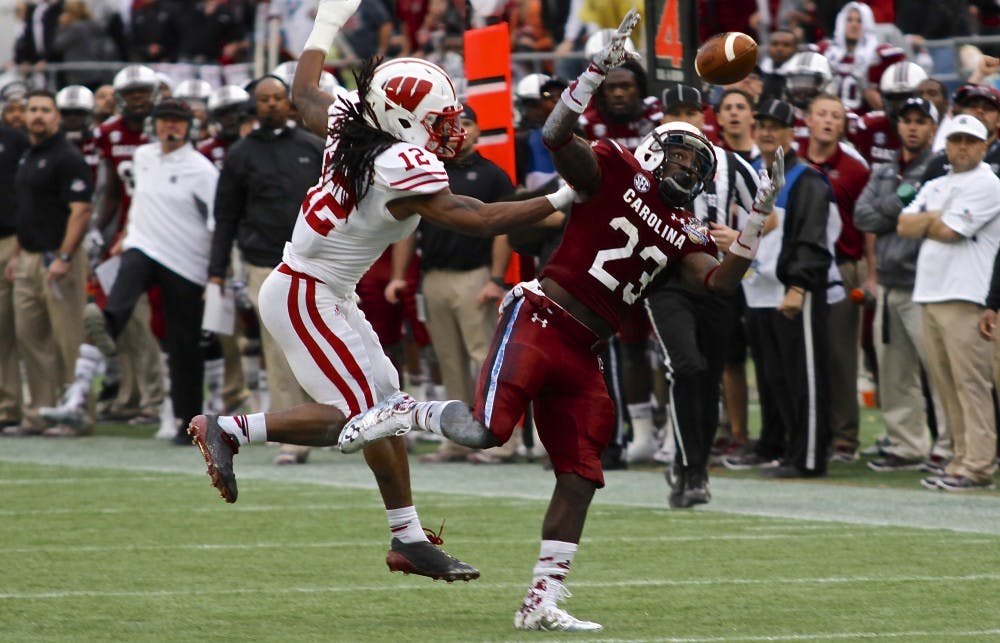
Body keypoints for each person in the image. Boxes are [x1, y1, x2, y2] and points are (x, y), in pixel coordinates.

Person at [339, 10, 784, 631]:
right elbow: (555, 135)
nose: (689, 172)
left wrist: (757, 223)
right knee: (487, 432)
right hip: (541, 317)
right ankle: (404, 412)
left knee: (581, 473)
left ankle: (540, 599)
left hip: (585, 347)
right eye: (682, 159)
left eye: (696, 168)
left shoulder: (686, 233)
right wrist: (592, 75)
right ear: (655, 151)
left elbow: (718, 283)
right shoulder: (611, 170)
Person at [184, 0, 573, 583]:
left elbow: (305, 88)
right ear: (402, 119)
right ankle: (230, 429)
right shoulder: (399, 164)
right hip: (307, 294)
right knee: (362, 415)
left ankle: (408, 537)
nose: (451, 130)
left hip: (325, 291)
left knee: (380, 409)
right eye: (439, 120)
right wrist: (569, 196)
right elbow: (480, 217)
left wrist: (326, 22)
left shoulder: (353, 123)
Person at [646, 83, 759, 507]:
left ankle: (697, 471)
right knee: (686, 366)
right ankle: (685, 464)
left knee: (708, 376)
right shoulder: (647, 166)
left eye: (691, 111)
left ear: (703, 116)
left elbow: (767, 215)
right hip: (667, 279)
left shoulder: (731, 165)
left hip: (716, 278)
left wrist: (740, 235)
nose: (684, 119)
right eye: (674, 111)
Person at [387, 103, 518, 465]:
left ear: (478, 130)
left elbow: (503, 230)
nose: (461, 131)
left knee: (486, 360)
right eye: (453, 125)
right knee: (448, 361)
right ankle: (458, 441)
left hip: (474, 276)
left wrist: (496, 279)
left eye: (468, 124)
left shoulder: (493, 174)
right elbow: (407, 228)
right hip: (434, 276)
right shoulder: (430, 172)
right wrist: (400, 276)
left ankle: (502, 440)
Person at [207, 75, 323, 465]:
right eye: (264, 99)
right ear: (255, 106)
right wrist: (217, 270)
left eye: (278, 98)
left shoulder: (312, 147)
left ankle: (333, 424)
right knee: (278, 350)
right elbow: (225, 215)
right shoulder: (240, 154)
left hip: (315, 263)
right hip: (264, 264)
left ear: (289, 104)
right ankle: (292, 437)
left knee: (322, 344)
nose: (272, 105)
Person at [724, 98, 842, 478]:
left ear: (793, 132)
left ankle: (808, 456)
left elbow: (813, 236)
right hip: (757, 288)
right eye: (763, 125)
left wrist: (800, 285)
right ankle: (779, 445)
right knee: (775, 377)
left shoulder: (807, 179)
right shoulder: (751, 174)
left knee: (804, 376)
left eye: (777, 126)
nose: (768, 131)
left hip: (791, 289)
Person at [898, 114, 1000, 492]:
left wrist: (930, 219)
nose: (962, 146)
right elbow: (902, 226)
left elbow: (950, 231)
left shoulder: (988, 184)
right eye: (956, 139)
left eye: (970, 140)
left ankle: (977, 464)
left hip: (965, 293)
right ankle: (959, 459)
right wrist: (933, 218)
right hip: (931, 292)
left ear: (984, 146)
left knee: (970, 385)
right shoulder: (938, 182)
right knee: (945, 385)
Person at [853, 97, 944, 471]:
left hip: (924, 283)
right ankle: (907, 446)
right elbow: (862, 215)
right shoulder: (887, 170)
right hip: (889, 282)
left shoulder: (938, 168)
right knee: (894, 372)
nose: (912, 127)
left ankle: (950, 447)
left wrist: (889, 211)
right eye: (906, 120)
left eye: (921, 121)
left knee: (939, 372)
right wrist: (902, 203)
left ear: (933, 127)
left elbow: (927, 216)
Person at [2, 89, 93, 437]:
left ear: (56, 116)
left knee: (68, 340)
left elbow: (81, 210)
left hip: (58, 259)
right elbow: (27, 211)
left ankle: (78, 413)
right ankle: (38, 413)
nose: (38, 115)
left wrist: (66, 255)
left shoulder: (67, 157)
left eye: (45, 110)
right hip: (26, 258)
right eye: (33, 110)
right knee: (30, 340)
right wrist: (17, 255)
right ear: (25, 116)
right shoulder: (28, 155)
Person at [0, 112, 31, 431]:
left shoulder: (14, 140)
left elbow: (28, 199)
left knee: (21, 330)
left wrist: (20, 245)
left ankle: (28, 407)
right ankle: (6, 407)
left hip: (10, 239)